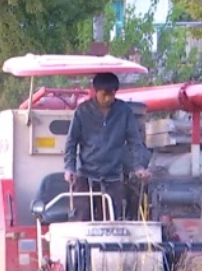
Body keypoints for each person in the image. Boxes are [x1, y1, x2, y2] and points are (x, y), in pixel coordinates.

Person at [63, 72, 151, 221]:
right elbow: (71, 142)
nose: (108, 99)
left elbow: (134, 141)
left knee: (112, 220)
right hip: (85, 174)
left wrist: (138, 167)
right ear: (95, 91)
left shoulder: (124, 111)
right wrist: (69, 168)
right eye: (104, 95)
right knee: (82, 218)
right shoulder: (82, 111)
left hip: (113, 175)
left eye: (112, 95)